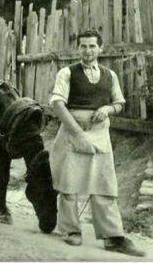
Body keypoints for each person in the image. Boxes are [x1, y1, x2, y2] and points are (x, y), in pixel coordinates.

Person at [49, 29, 144, 257]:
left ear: (100, 48)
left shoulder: (110, 75)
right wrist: (78, 133)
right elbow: (57, 104)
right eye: (83, 46)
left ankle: (113, 237)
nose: (88, 51)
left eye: (92, 46)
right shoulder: (67, 73)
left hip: (100, 134)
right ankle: (71, 230)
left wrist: (108, 108)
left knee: (105, 185)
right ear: (78, 48)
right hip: (73, 132)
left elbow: (119, 102)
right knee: (69, 184)